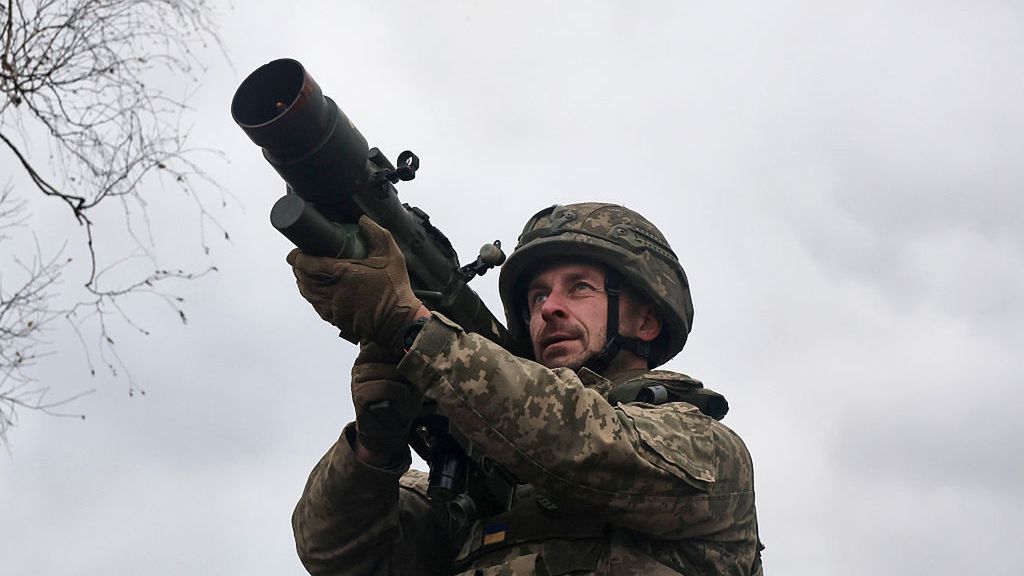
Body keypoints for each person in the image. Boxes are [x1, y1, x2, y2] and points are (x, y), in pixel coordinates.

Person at [287, 202, 763, 575]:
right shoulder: (477, 494)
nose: (549, 309)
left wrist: (415, 330)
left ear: (646, 319)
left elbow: (583, 445)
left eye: (579, 288)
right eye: (538, 296)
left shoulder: (707, 451)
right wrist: (375, 445)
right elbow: (335, 554)